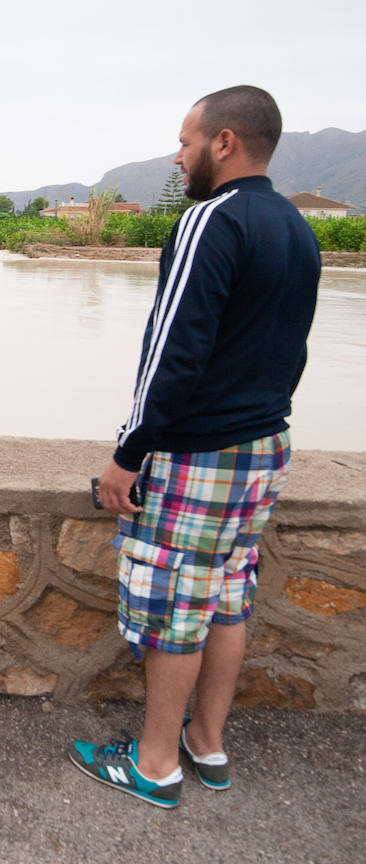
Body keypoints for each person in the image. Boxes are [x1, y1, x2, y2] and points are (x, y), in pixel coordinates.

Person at [68, 85, 320, 808]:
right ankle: (206, 745)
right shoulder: (295, 227)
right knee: (227, 595)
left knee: (178, 604)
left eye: (185, 143)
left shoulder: (210, 220)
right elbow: (291, 352)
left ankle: (153, 766)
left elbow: (171, 355)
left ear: (225, 143)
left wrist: (129, 452)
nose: (178, 159)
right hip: (265, 443)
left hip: (201, 453)